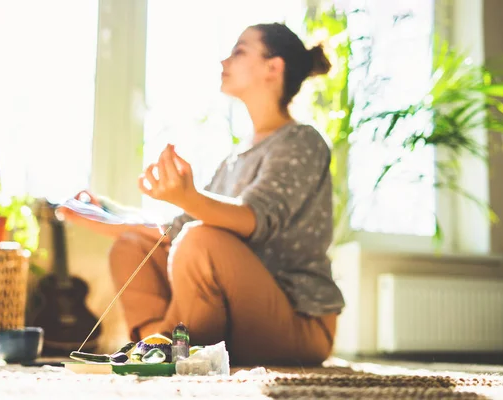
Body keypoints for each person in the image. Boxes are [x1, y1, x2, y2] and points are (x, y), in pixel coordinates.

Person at [60, 22, 345, 366]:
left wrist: (188, 197)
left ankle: (164, 348)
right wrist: (103, 213)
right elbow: (171, 230)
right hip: (237, 320)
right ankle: (160, 345)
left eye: (239, 51)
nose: (224, 61)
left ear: (274, 67)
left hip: (297, 326)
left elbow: (255, 218)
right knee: (131, 247)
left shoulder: (301, 141)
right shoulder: (233, 161)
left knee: (199, 241)